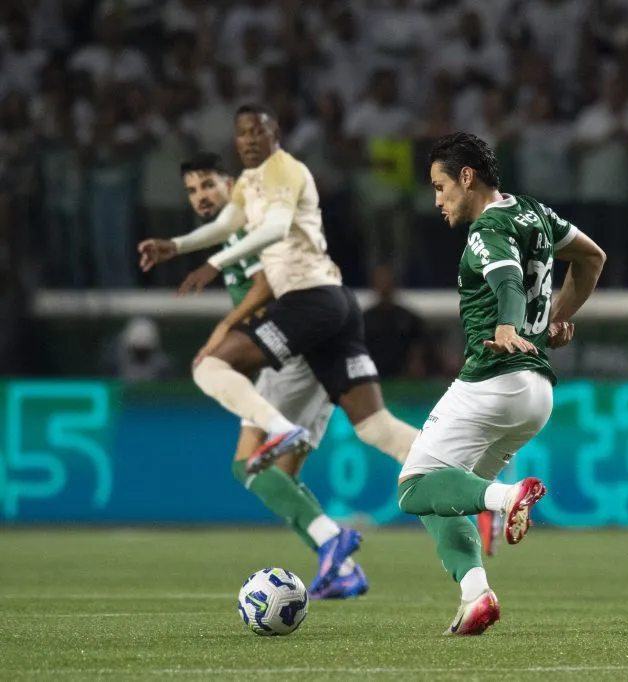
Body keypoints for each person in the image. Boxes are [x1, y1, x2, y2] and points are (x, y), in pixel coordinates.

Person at [137, 106, 421, 600]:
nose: (201, 195)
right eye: (192, 190)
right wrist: (179, 246)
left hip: (295, 343)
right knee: (284, 476)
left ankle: (333, 538)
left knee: (249, 463)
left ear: (232, 182)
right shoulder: (241, 216)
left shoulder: (260, 208)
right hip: (309, 340)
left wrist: (221, 325)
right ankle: (340, 562)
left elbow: (269, 281)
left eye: (208, 185)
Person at [396, 132, 606, 635]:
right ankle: (476, 597)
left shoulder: (485, 229)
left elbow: (508, 280)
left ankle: (508, 497)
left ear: (466, 177)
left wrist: (510, 325)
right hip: (536, 395)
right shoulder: (533, 212)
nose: (437, 198)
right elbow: (593, 256)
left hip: (493, 378)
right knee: (447, 495)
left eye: (440, 185)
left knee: (413, 487)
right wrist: (553, 320)